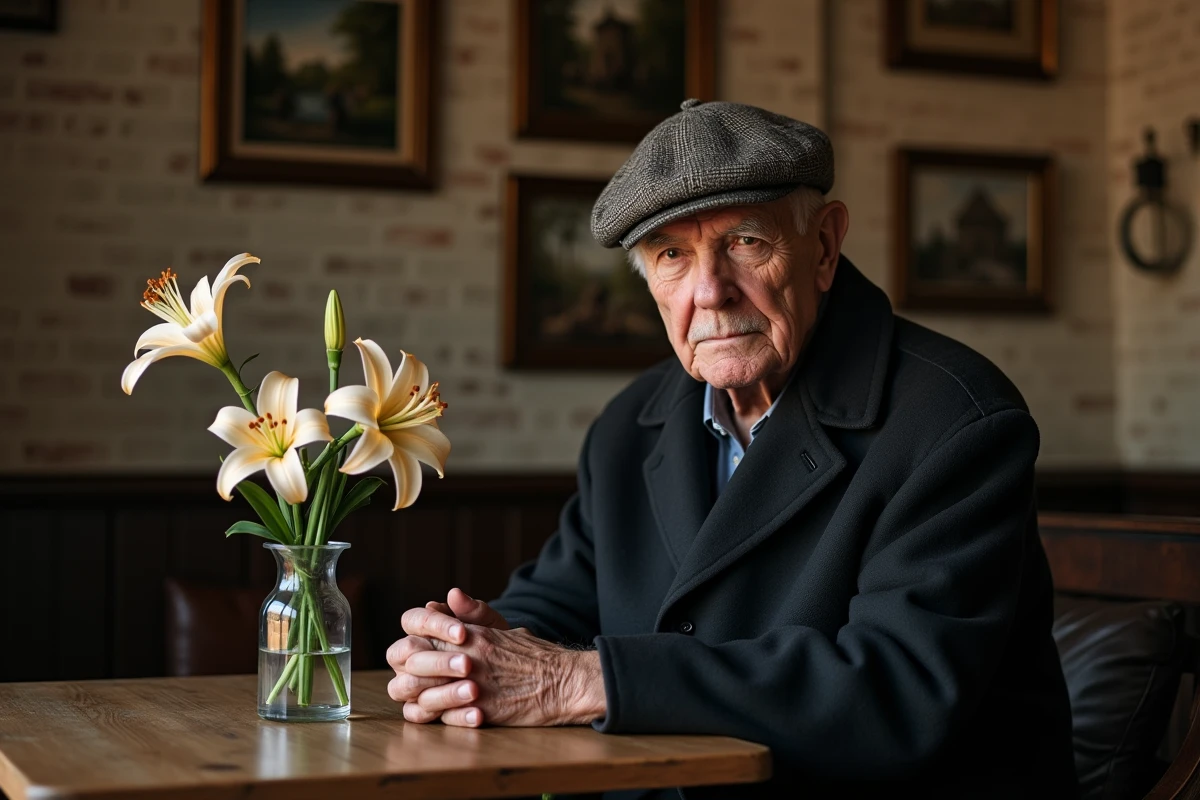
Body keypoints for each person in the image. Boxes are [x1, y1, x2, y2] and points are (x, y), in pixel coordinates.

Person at [386, 100, 1078, 798]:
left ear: (826, 246)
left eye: (746, 242)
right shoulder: (631, 425)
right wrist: (467, 652)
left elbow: (895, 689)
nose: (710, 292)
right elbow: (562, 600)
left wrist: (579, 681)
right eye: (672, 257)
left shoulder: (956, 420)